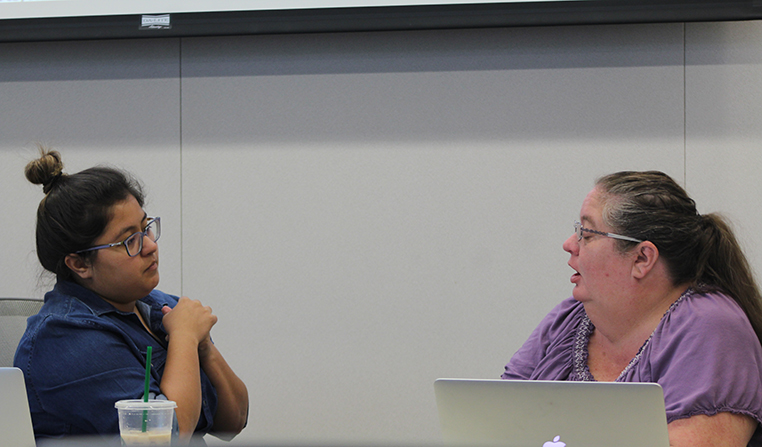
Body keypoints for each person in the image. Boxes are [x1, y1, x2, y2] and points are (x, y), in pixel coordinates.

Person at [502, 171, 762, 447]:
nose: (569, 245)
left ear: (642, 258)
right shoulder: (569, 319)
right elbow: (494, 420)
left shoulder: (711, 325)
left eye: (586, 234)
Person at [15, 148, 249, 445]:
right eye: (130, 240)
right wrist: (186, 339)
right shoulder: (63, 336)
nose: (150, 246)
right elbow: (166, 437)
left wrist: (203, 348)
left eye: (145, 228)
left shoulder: (159, 306)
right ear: (80, 264)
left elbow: (234, 421)